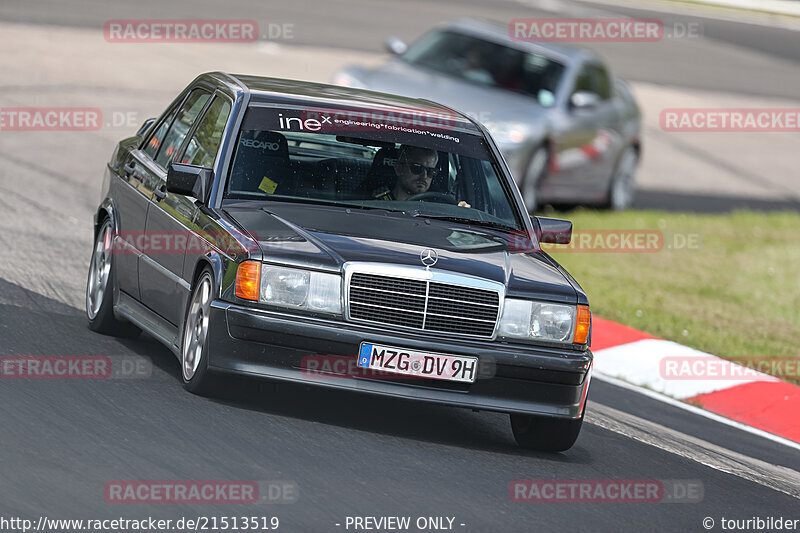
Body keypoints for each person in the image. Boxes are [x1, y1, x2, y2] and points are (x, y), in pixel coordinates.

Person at [374, 145, 471, 207]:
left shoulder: (437, 208)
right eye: (417, 168)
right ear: (399, 168)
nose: (424, 176)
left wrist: (460, 211)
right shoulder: (375, 204)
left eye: (430, 171)